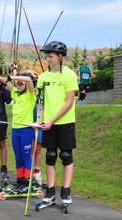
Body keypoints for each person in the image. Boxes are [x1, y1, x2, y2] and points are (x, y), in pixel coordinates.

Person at [37, 41, 79, 210]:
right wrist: (39, 120)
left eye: (51, 55)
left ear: (60, 57)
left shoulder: (69, 75)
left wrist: (52, 120)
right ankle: (50, 191)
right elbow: (39, 101)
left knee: (66, 155)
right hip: (47, 123)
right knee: (51, 155)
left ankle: (66, 191)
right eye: (46, 55)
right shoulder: (43, 77)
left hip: (65, 122)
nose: (47, 58)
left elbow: (69, 102)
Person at [0, 71, 38, 188]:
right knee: (18, 156)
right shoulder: (15, 93)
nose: (19, 84)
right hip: (15, 130)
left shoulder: (31, 95)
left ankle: (27, 179)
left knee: (26, 156)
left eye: (22, 83)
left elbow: (29, 81)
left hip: (26, 129)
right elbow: (7, 83)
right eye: (18, 83)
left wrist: (13, 77)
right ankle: (20, 178)